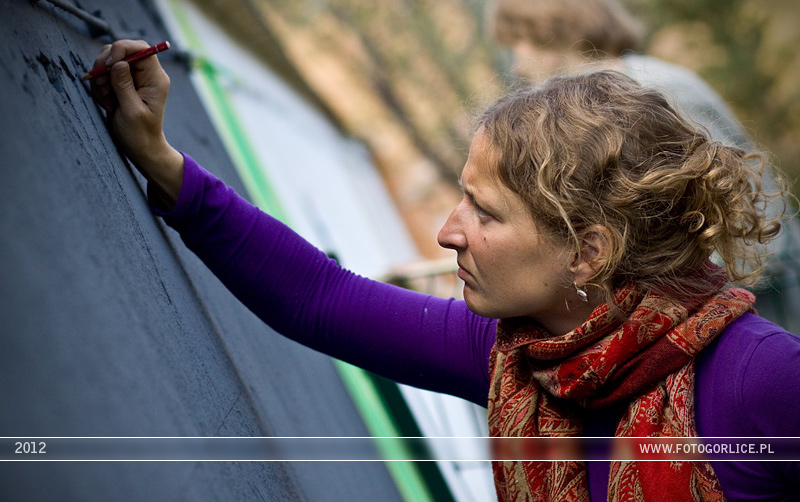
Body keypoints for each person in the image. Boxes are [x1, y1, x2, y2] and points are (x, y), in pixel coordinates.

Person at [89, 40, 800, 501]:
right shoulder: (522, 354)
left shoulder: (764, 379)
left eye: (485, 213)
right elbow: (318, 296)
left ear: (587, 252)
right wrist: (161, 159)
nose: (447, 232)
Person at [487, 0, 800, 335]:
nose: (517, 67)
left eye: (518, 42)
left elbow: (753, 215)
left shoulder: (658, 91)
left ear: (549, 31)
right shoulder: (599, 108)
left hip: (763, 316)